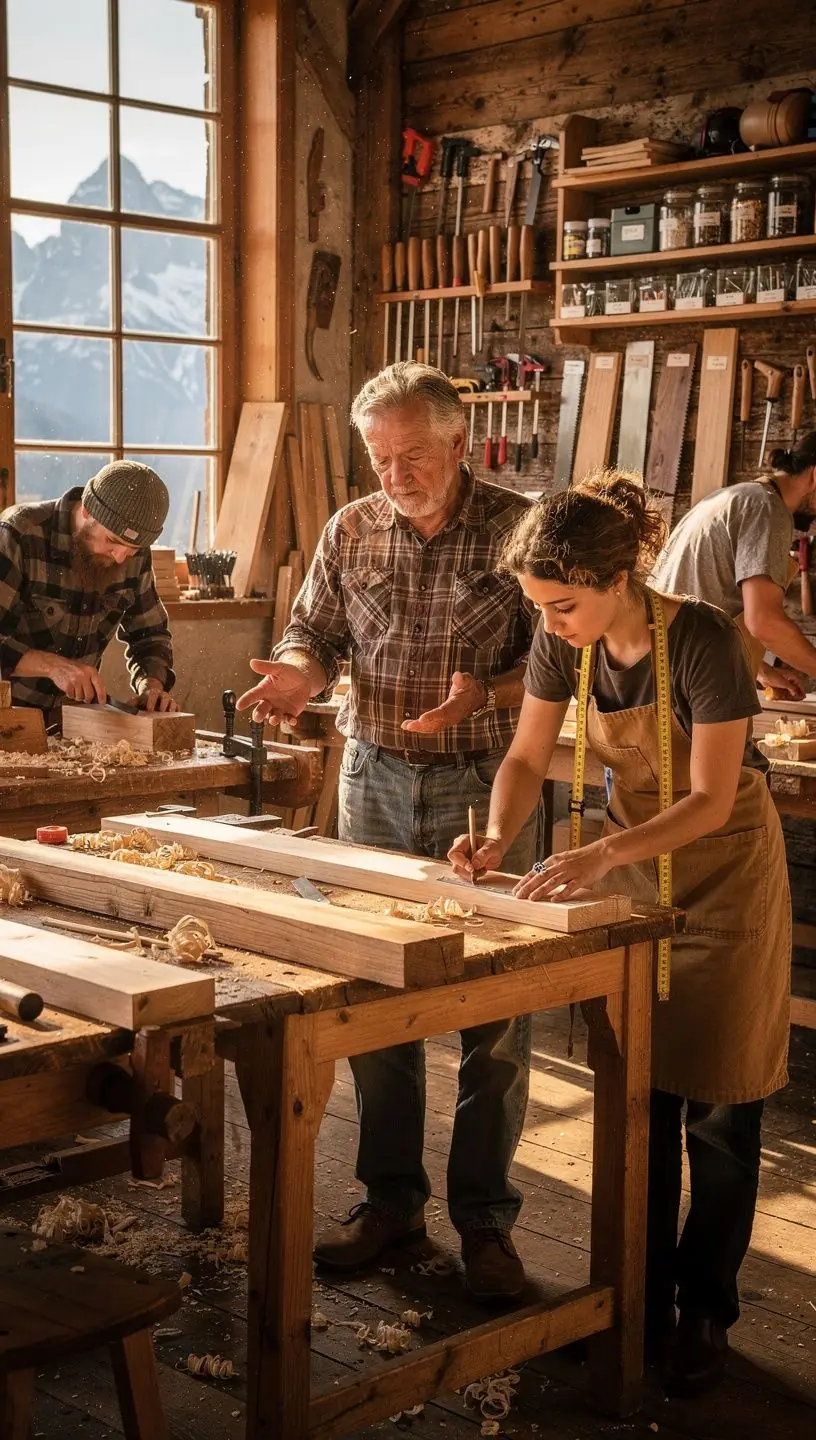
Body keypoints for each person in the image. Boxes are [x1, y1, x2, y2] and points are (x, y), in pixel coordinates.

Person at [449, 471, 791, 1389]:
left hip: (726, 880)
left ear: (615, 578)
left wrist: (598, 856)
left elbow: (714, 798)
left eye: (562, 606)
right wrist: (491, 835)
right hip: (636, 877)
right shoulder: (569, 645)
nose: (551, 624)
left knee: (719, 1113)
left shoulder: (707, 640)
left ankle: (705, 1312)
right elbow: (526, 756)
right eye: (541, 608)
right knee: (639, 1103)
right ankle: (630, 1299)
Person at [237, 362, 542, 1301]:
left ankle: (486, 1221)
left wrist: (482, 695)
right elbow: (312, 632)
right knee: (373, 995)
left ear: (460, 443)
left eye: (414, 454)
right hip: (370, 778)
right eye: (380, 456)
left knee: (496, 1008)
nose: (395, 474)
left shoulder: (520, 528)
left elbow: (559, 660)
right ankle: (391, 1201)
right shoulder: (351, 528)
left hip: (487, 781)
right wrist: (294, 673)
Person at [0, 460, 178, 723]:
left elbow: (150, 636)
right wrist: (53, 667)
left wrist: (151, 686)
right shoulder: (19, 535)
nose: (120, 558)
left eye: (132, 550)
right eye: (113, 541)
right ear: (86, 511)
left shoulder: (133, 553)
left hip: (72, 723)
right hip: (9, 719)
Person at [651, 434, 816, 697]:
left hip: (663, 668)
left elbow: (705, 601)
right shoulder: (768, 510)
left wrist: (761, 670)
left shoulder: (731, 498)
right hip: (684, 684)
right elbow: (764, 622)